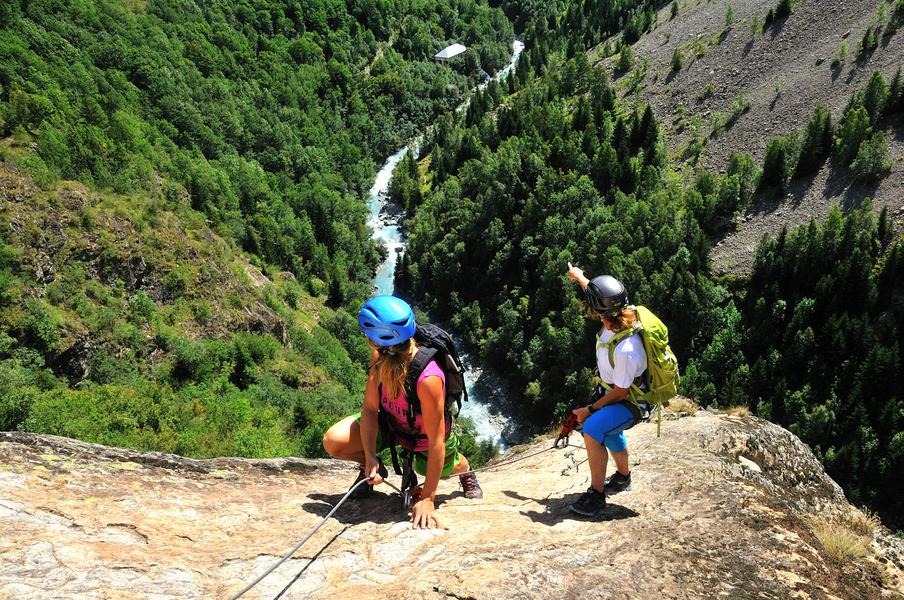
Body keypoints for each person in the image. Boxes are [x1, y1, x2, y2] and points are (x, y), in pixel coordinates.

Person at [322, 295, 483, 529]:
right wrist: (369, 456)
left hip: (424, 437)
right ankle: (371, 469)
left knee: (432, 468)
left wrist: (428, 498)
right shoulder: (381, 357)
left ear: (379, 340)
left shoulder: (428, 378)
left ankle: (465, 469)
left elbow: (436, 441)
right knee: (334, 441)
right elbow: (369, 409)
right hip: (393, 425)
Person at [565, 263, 649, 518]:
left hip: (630, 402)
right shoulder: (618, 317)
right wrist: (580, 277)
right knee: (609, 432)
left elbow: (621, 392)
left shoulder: (626, 348)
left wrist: (589, 410)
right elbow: (600, 296)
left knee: (592, 430)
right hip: (615, 395)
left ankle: (596, 495)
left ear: (599, 311)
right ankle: (623, 477)